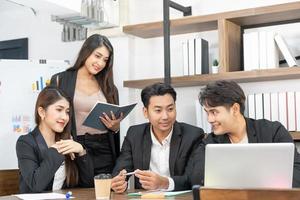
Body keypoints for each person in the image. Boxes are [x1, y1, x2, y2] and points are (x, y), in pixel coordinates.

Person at [196, 80, 300, 187]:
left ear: (235, 109)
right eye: (207, 113)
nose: (209, 119)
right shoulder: (210, 143)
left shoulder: (273, 131)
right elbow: (197, 177)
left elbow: (297, 171)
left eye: (214, 112)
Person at [111, 83, 205, 193]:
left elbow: (193, 179)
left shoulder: (193, 135)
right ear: (145, 112)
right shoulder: (135, 134)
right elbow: (120, 170)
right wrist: (118, 182)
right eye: (158, 110)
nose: (165, 116)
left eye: (170, 109)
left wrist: (165, 183)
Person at [50, 34, 121, 175]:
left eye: (105, 60)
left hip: (104, 148)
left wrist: (116, 127)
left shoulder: (110, 88)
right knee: (78, 191)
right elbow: (51, 117)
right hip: (75, 145)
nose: (100, 63)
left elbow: (115, 125)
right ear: (86, 51)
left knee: (105, 192)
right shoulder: (60, 80)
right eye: (97, 56)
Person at [16, 86, 93, 193]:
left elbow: (88, 185)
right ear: (42, 112)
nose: (65, 117)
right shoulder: (25, 143)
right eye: (59, 110)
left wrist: (81, 152)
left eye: (67, 112)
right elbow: (36, 185)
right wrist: (56, 151)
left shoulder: (68, 140)